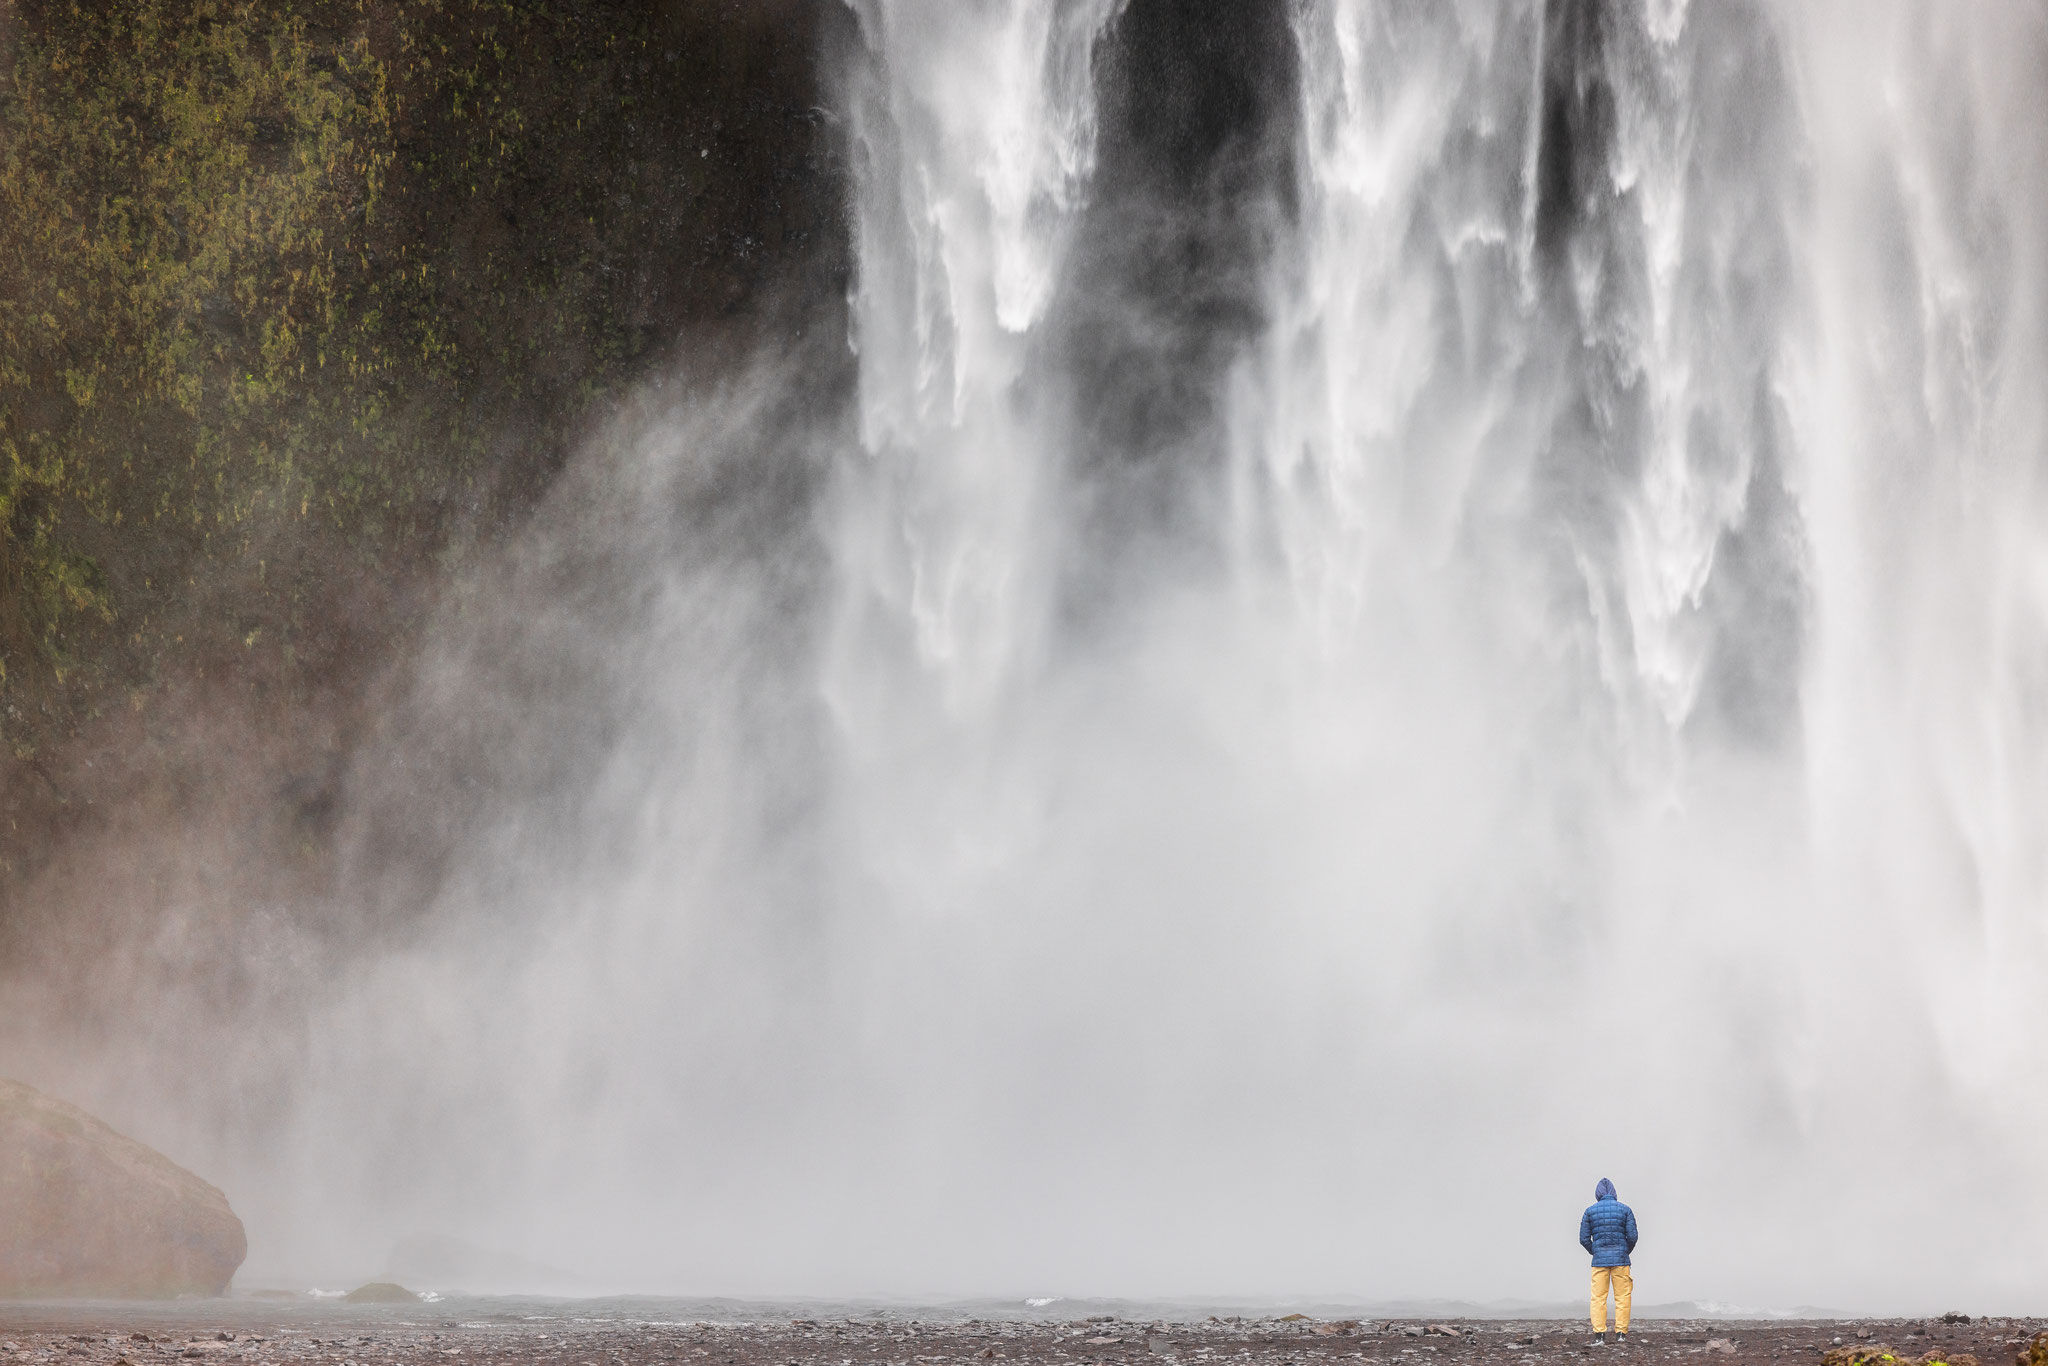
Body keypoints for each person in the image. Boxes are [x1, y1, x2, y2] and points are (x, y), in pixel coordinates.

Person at [1579, 1177, 1639, 1346]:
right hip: (1621, 1260)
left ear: (1597, 1194)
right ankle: (1620, 1334)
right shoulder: (1625, 1210)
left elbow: (1584, 1238)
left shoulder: (1590, 1211)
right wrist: (1625, 1250)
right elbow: (1633, 1236)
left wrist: (1595, 1251)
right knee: (1622, 1297)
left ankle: (1599, 1336)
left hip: (1599, 1262)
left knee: (1598, 1298)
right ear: (1614, 1193)